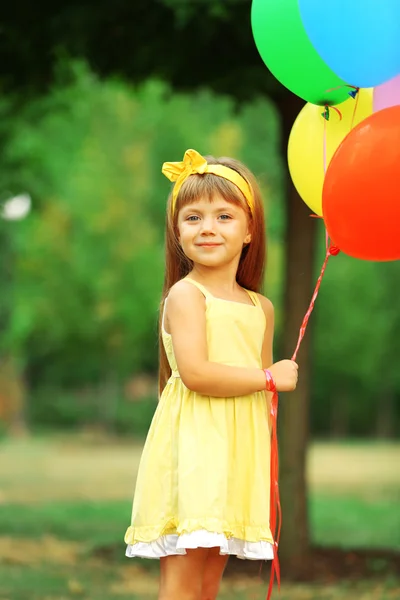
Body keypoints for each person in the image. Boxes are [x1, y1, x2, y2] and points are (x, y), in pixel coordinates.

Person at [124, 148, 298, 600]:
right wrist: (268, 377)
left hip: (236, 455)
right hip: (196, 449)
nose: (207, 228)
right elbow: (198, 373)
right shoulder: (187, 295)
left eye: (223, 216)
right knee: (182, 582)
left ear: (248, 230)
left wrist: (263, 444)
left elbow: (263, 399)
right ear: (176, 231)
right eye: (193, 217)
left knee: (207, 583)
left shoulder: (261, 307)